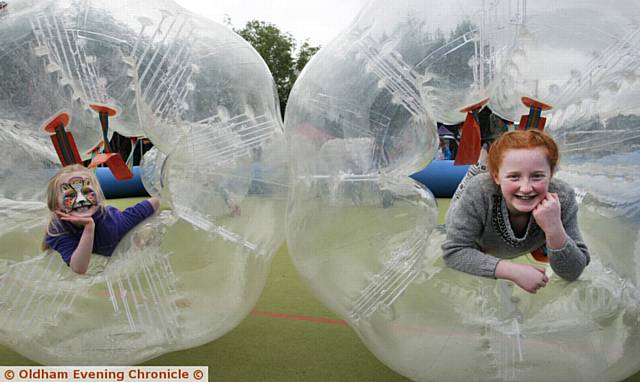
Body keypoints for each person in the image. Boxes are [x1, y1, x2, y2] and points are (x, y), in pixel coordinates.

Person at [442, 129, 589, 293]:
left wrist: (554, 228)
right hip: (479, 228)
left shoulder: (562, 197)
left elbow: (573, 272)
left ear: (552, 174)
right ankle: (481, 163)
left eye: (537, 176)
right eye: (514, 177)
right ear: (496, 177)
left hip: (518, 237)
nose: (526, 188)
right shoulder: (479, 191)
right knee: (454, 216)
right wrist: (512, 271)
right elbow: (453, 251)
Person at [43, 164, 160, 274]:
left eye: (87, 192)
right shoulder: (57, 230)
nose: (81, 200)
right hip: (86, 247)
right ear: (56, 206)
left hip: (119, 243)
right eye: (71, 196)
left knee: (145, 234)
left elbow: (155, 202)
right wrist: (89, 228)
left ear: (99, 197)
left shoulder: (116, 223)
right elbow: (79, 268)